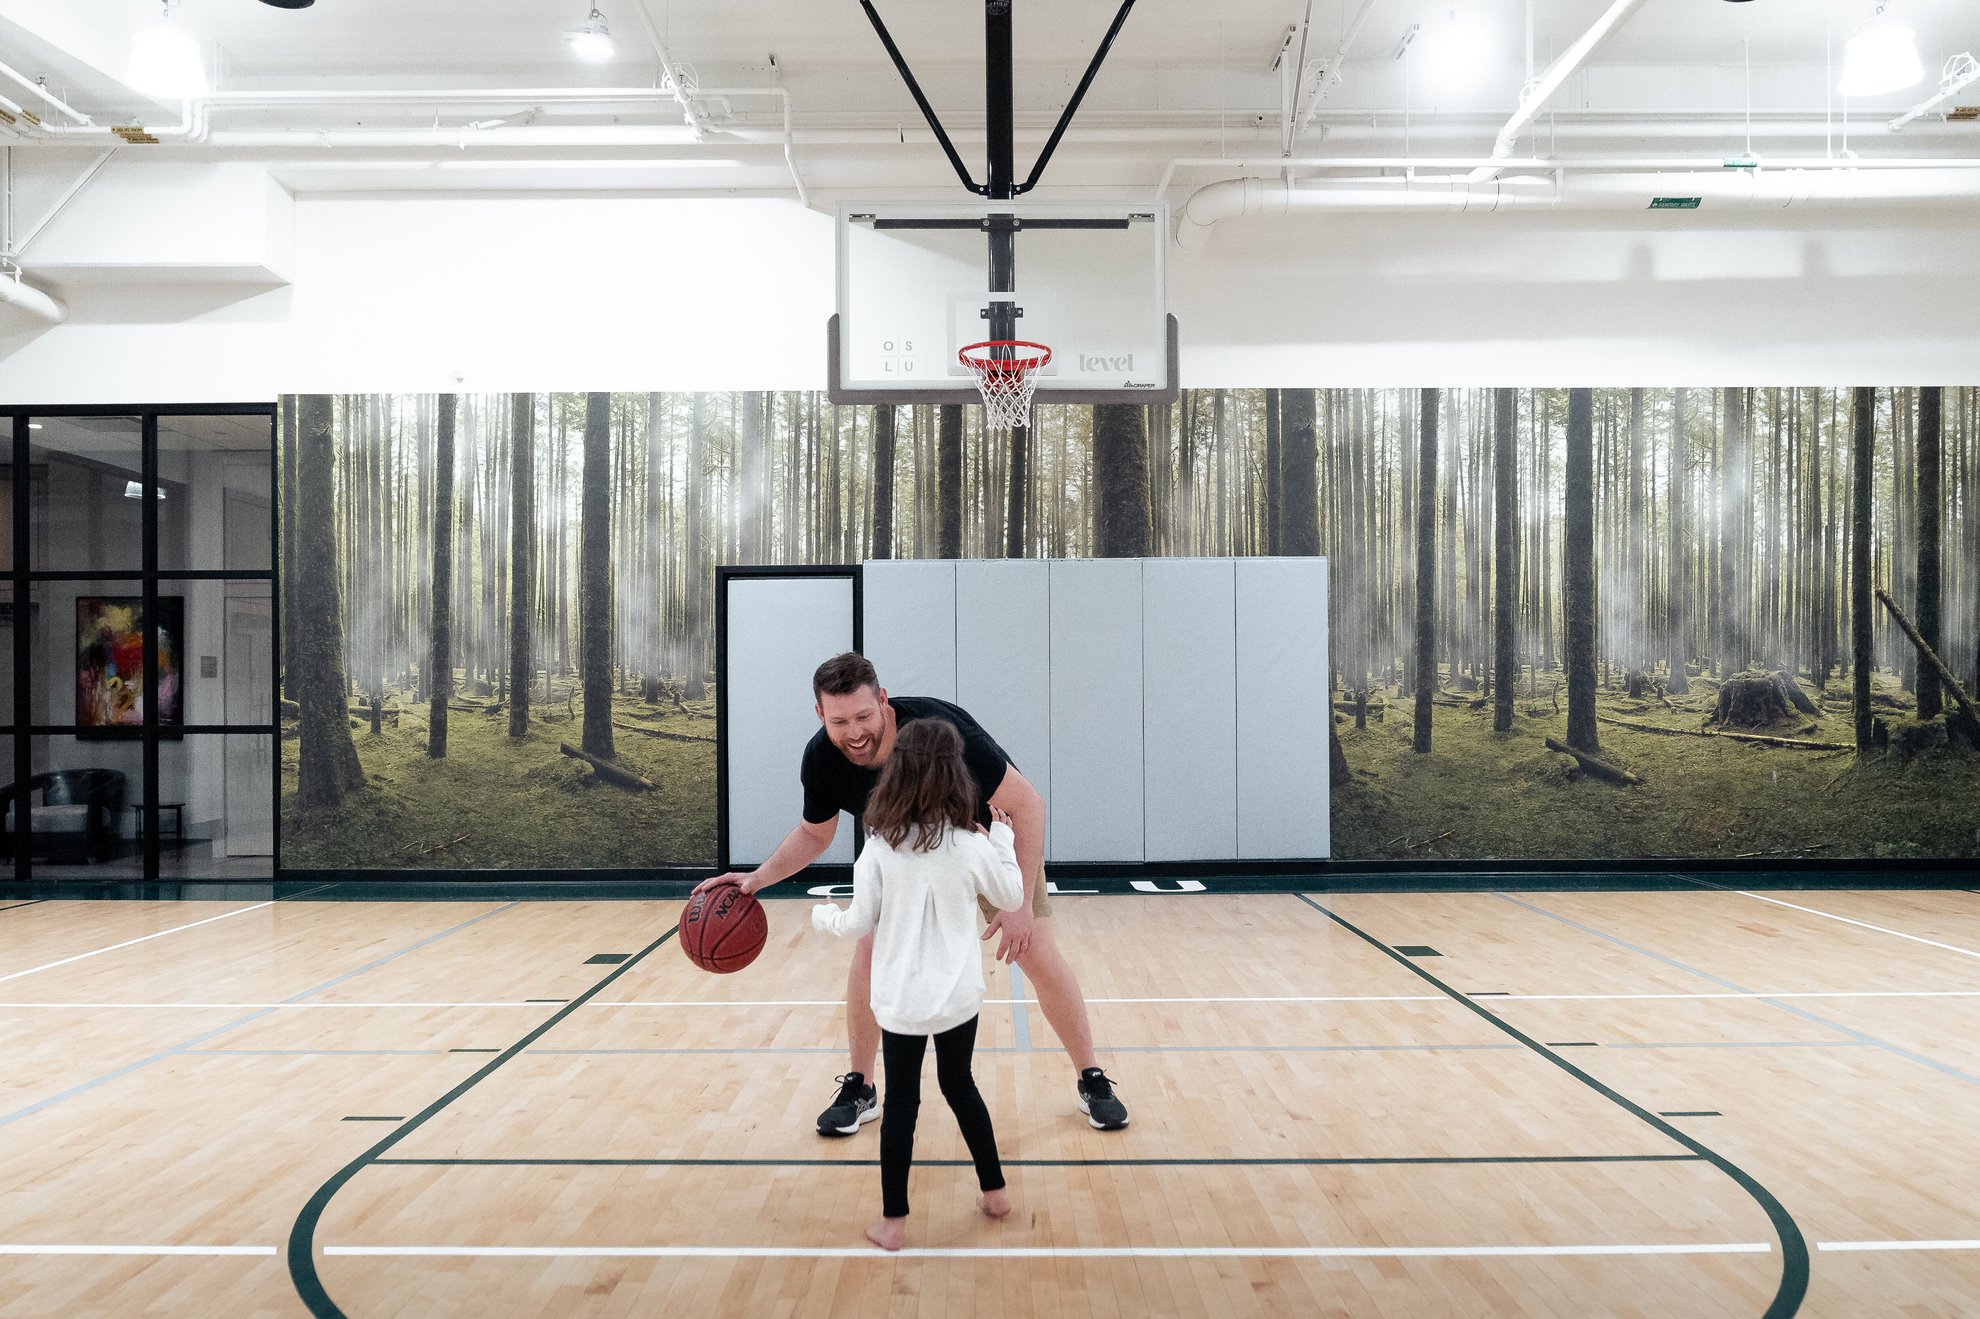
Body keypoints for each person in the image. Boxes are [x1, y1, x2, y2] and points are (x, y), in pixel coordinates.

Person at [695, 651, 1129, 1135]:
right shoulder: (822, 759)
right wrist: (754, 880)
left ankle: (1091, 1077)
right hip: (903, 857)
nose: (855, 732)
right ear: (821, 715)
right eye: (840, 721)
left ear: (882, 700)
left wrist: (1021, 906)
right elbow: (815, 834)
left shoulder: (942, 731)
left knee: (1038, 954)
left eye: (864, 716)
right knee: (868, 957)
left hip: (980, 841)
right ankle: (860, 1086)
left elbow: (1027, 806)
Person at [811, 718, 1021, 1251]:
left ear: (895, 773)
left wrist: (823, 918)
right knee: (960, 1087)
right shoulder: (972, 846)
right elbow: (1013, 898)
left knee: (901, 1106)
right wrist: (1003, 839)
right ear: (957, 776)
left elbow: (858, 924)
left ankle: (894, 1224)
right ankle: (995, 1193)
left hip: (900, 1001)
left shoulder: (879, 849)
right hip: (957, 998)